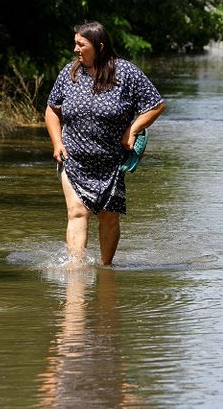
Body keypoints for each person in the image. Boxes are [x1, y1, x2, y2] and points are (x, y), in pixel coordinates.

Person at [45, 21, 166, 266]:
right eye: (75, 43)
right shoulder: (69, 73)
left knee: (109, 217)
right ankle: (76, 270)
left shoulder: (126, 73)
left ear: (99, 47)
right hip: (74, 158)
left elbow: (156, 105)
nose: (76, 49)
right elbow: (52, 110)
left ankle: (106, 268)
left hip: (111, 160)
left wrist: (133, 129)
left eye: (82, 45)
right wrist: (57, 143)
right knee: (77, 212)